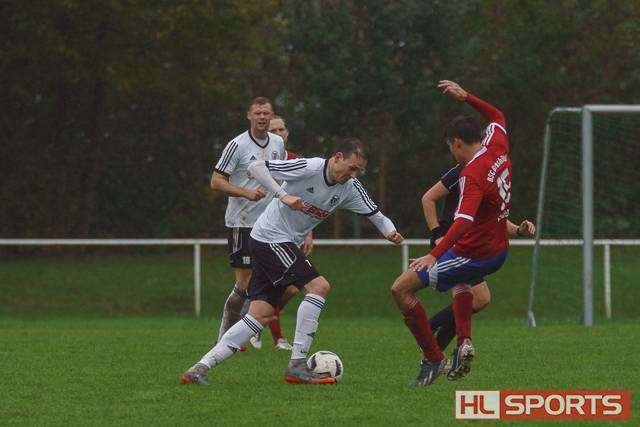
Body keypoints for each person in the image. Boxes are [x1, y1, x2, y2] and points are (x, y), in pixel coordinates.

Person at [182, 138, 404, 385]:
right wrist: (283, 195)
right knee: (319, 287)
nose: (353, 175)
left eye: (358, 171)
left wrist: (390, 232)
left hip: (273, 241)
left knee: (259, 316)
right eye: (351, 168)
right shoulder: (310, 167)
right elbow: (256, 167)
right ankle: (297, 365)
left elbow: (377, 215)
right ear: (337, 157)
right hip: (271, 238)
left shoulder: (350, 188)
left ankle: (199, 368)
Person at [390, 80, 513, 386]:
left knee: (401, 289)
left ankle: (434, 357)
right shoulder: (496, 144)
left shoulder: (472, 174)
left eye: (450, 147)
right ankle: (463, 342)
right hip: (497, 248)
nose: (451, 153)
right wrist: (466, 96)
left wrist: (434, 255)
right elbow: (497, 115)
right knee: (462, 283)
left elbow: (463, 221)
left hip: (475, 252)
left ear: (457, 143)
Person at [422, 164, 535, 352]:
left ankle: (434, 349)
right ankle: (431, 337)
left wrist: (518, 230)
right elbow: (428, 198)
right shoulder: (462, 171)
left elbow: (495, 218)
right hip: (451, 245)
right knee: (476, 298)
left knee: (475, 300)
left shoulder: (491, 174)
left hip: (468, 246)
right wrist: (438, 235)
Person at [210, 97, 285, 351]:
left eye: (266, 113)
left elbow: (279, 176)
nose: (262, 117)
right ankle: (224, 337)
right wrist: (246, 192)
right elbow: (216, 181)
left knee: (278, 282)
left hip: (270, 224)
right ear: (249, 116)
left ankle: (247, 331)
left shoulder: (277, 143)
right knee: (244, 284)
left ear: (271, 116)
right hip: (241, 223)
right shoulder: (237, 145)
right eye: (258, 113)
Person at [248, 114, 312, 351]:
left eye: (281, 129)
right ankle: (274, 336)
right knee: (275, 284)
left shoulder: (297, 161)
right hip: (262, 231)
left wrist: (308, 233)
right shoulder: (260, 162)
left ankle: (258, 323)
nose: (278, 134)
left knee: (292, 287)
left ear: (287, 133)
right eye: (273, 130)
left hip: (290, 232)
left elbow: (309, 199)